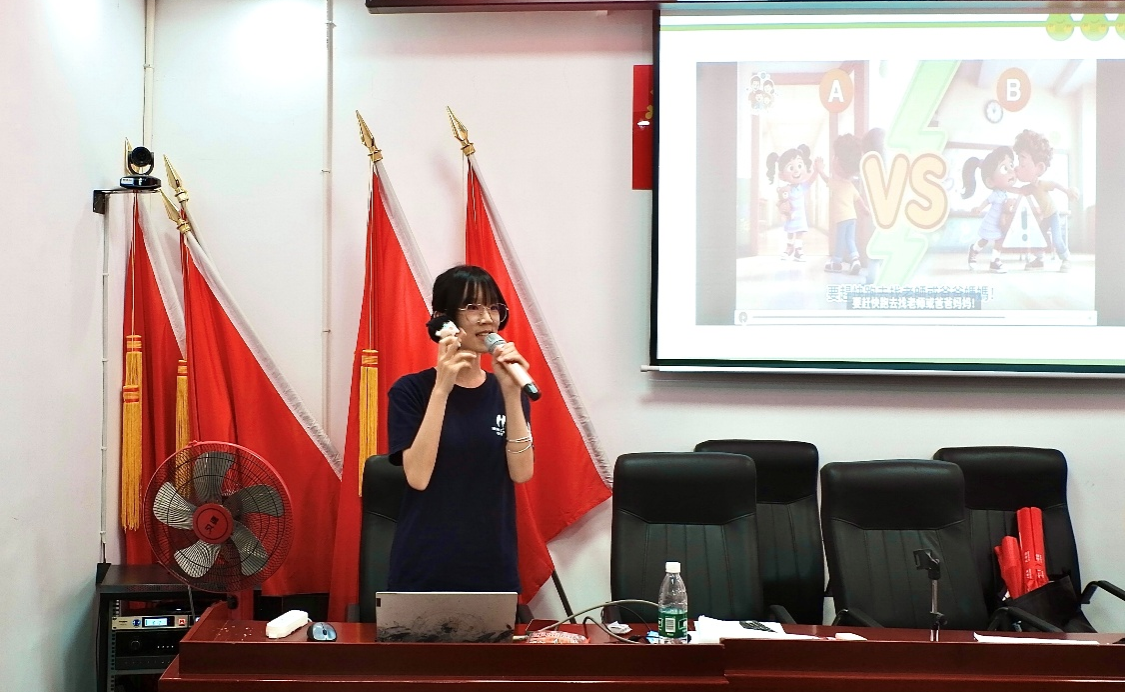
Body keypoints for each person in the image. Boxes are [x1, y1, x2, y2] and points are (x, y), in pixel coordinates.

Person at [386, 265, 534, 593]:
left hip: (492, 562)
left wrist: (512, 394)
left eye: (493, 307)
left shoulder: (507, 389)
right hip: (426, 564)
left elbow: (522, 472)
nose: (487, 318)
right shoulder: (410, 390)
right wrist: (442, 388)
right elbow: (418, 476)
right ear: (445, 320)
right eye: (473, 307)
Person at [1011, 129, 1079, 272]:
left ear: (1039, 167)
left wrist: (1067, 191)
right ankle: (1039, 260)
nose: (1018, 168)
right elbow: (1018, 191)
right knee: (1038, 236)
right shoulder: (1030, 187)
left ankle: (1066, 258)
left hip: (1053, 214)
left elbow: (1055, 184)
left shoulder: (1042, 184)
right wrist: (1003, 185)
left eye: (1023, 165)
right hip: (1046, 216)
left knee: (1056, 239)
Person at [817, 133, 869, 275]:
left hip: (842, 219)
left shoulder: (837, 184)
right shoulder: (850, 185)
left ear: (838, 162)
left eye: (835, 156)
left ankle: (837, 263)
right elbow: (859, 199)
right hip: (852, 218)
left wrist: (819, 169)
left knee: (840, 239)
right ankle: (855, 260)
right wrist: (865, 210)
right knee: (849, 239)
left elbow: (825, 178)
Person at [962, 146, 1018, 274]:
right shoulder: (996, 194)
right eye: (1004, 168)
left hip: (1001, 223)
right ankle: (974, 250)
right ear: (990, 182)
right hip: (992, 221)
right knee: (984, 240)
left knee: (999, 241)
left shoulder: (1006, 193)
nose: (1011, 171)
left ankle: (995, 261)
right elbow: (987, 201)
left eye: (1011, 165)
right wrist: (979, 208)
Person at [766, 144, 820, 262]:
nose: (796, 171)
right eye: (791, 168)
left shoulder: (802, 187)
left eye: (800, 166)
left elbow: (811, 180)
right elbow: (781, 201)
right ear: (782, 175)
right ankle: (789, 247)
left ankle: (798, 250)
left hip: (800, 216)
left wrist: (817, 170)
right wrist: (782, 209)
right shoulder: (786, 189)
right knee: (790, 231)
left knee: (799, 232)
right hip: (790, 216)